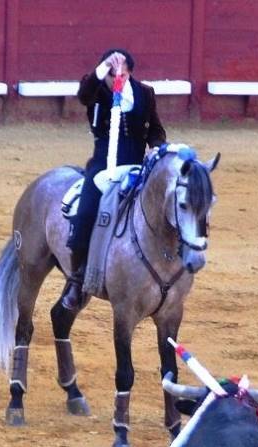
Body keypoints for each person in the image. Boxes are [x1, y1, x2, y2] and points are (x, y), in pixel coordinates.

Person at [61, 48, 167, 310]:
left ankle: (169, 266)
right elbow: (83, 94)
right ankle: (77, 280)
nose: (113, 77)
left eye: (117, 73)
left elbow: (156, 130)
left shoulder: (144, 93)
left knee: (168, 206)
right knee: (85, 213)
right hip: (102, 166)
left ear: (129, 72)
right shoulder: (96, 90)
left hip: (137, 166)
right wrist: (103, 69)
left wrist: (155, 146)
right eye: (108, 73)